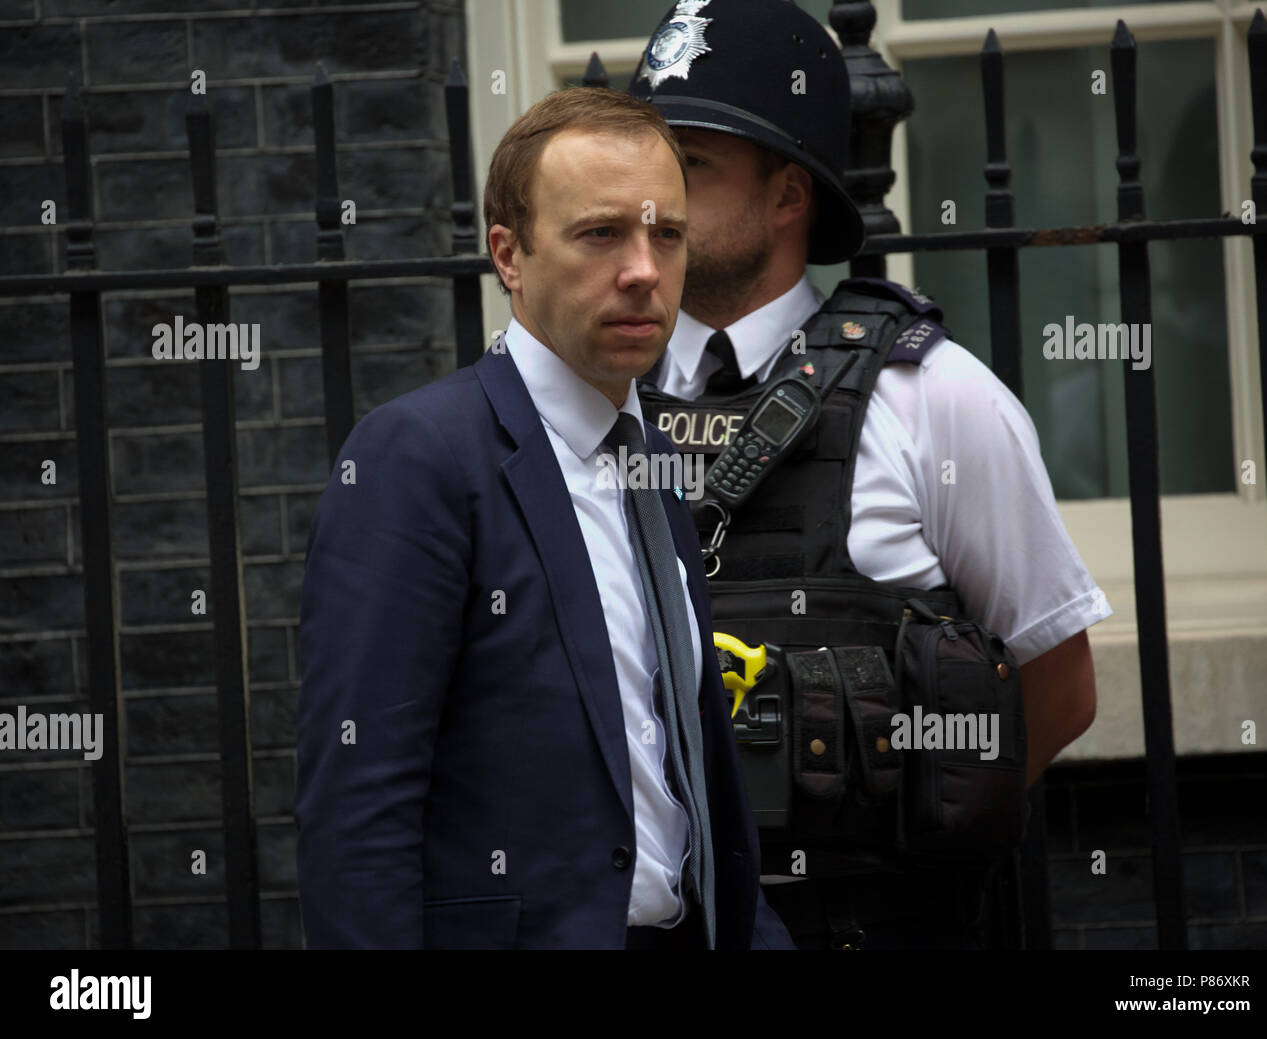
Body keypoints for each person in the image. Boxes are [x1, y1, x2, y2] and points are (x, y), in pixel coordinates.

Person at [630, 0, 1111, 949]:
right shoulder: (595, 396)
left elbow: (1059, 685)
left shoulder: (934, 399)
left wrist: (911, 856)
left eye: (692, 167)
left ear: (788, 195)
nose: (653, 202)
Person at [294, 86, 793, 949]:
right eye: (601, 234)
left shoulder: (655, 460)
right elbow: (358, 810)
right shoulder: (416, 457)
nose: (642, 269)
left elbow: (688, 784)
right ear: (509, 256)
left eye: (666, 235)